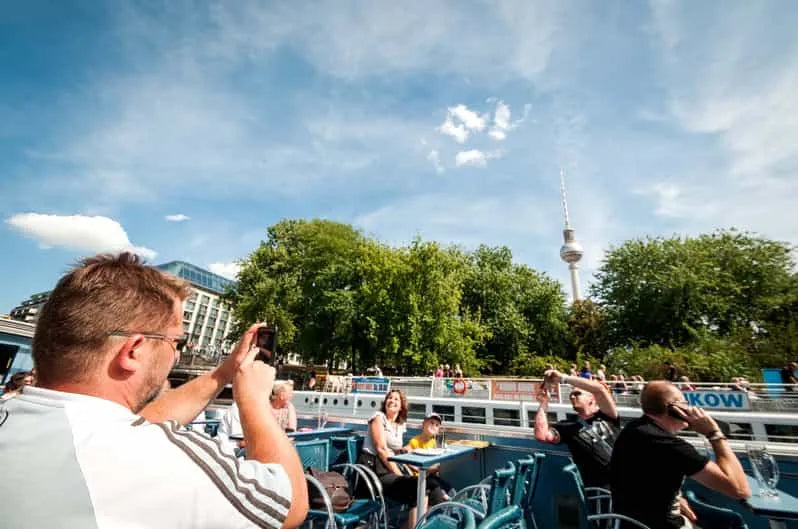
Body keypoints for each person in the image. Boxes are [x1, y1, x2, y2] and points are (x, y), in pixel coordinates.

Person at [0, 252, 308, 529]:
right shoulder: (167, 460)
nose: (176, 354)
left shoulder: (17, 415)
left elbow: (136, 424)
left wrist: (225, 372)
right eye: (176, 343)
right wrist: (252, 398)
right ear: (133, 350)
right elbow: (290, 505)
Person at [610, 381, 750, 529]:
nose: (690, 408)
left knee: (730, 519)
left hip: (631, 523)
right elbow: (740, 490)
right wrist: (714, 434)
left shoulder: (634, 430)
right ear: (675, 408)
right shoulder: (670, 445)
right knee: (733, 523)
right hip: (662, 524)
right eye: (685, 403)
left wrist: (676, 499)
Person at [534, 369, 619, 488]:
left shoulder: (608, 415)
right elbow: (541, 435)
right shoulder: (567, 425)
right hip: (600, 490)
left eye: (577, 394)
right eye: (571, 395)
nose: (572, 397)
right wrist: (543, 404)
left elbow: (599, 390)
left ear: (592, 399)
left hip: (624, 479)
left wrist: (563, 378)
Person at [359, 389, 421, 529]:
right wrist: (399, 476)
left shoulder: (400, 425)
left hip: (389, 468)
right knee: (418, 488)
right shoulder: (378, 417)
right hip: (375, 471)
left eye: (396, 399)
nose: (392, 401)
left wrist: (412, 462)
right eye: (390, 398)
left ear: (401, 407)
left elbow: (396, 451)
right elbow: (381, 449)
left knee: (430, 486)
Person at [404, 413, 453, 505]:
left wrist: (434, 468)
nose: (433, 426)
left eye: (437, 425)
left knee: (449, 488)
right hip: (419, 477)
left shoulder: (436, 443)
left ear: (438, 430)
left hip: (432, 475)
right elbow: (407, 456)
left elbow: (440, 462)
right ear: (423, 424)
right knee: (437, 490)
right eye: (431, 423)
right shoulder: (415, 441)